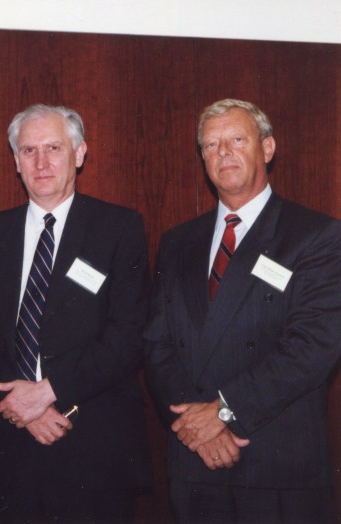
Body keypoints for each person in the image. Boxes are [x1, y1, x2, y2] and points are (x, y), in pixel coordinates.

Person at [0, 104, 152, 521]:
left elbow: (128, 334)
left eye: (54, 148)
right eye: (29, 151)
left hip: (91, 451)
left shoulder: (119, 229)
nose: (41, 163)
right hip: (2, 450)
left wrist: (48, 392)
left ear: (79, 153)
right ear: (16, 161)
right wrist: (21, 406)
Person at [144, 98, 341, 523]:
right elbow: (157, 344)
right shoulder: (178, 242)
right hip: (196, 463)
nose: (224, 153)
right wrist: (197, 428)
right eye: (211, 145)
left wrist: (223, 412)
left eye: (237, 140)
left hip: (276, 467)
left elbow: (312, 347)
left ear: (267, 149)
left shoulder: (316, 235)